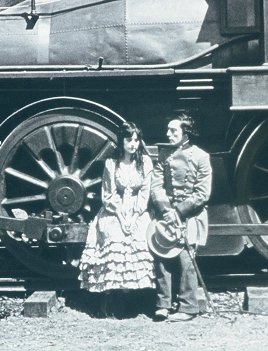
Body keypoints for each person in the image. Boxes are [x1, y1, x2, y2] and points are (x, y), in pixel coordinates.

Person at [78, 122, 155, 317]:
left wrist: (135, 215)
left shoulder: (145, 162)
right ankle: (114, 299)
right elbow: (108, 195)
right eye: (129, 140)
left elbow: (145, 193)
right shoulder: (111, 164)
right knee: (114, 234)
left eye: (136, 140)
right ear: (122, 141)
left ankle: (138, 298)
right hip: (115, 211)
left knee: (141, 235)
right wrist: (121, 217)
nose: (133, 144)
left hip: (138, 210)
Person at [150, 113, 212, 322]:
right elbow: (156, 186)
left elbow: (202, 193)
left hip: (190, 216)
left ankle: (188, 307)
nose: (168, 134)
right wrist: (167, 210)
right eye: (168, 130)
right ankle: (163, 305)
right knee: (161, 257)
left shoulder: (202, 157)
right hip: (166, 215)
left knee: (186, 260)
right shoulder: (164, 156)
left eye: (173, 130)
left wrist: (179, 211)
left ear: (186, 133)